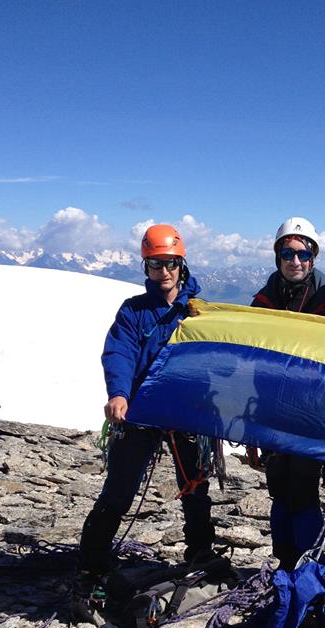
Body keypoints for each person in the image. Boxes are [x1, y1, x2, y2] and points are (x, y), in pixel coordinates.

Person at [77, 224, 217, 601]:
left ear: (181, 264)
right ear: (146, 267)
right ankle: (91, 561)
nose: (164, 272)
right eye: (156, 265)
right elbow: (119, 353)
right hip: (140, 410)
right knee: (120, 488)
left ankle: (200, 551)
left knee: (194, 485)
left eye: (170, 263)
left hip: (185, 413)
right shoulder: (133, 312)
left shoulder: (198, 312)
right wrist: (118, 394)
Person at [250, 217, 325, 570]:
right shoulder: (265, 297)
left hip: (309, 413)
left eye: (302, 253)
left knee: (303, 488)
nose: (295, 261)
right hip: (273, 408)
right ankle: (285, 560)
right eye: (287, 253)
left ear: (313, 257)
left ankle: (306, 565)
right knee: (278, 485)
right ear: (278, 257)